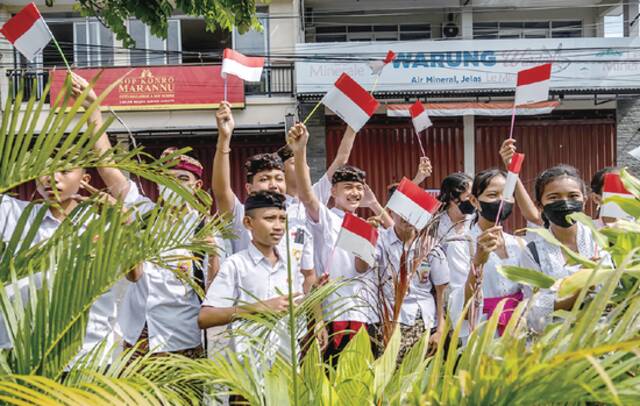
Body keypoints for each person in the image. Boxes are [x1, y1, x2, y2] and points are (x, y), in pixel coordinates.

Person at [69, 74, 217, 359]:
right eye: (166, 178)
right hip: (139, 338)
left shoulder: (204, 229)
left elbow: (214, 287)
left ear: (196, 185)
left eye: (182, 178)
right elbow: (107, 165)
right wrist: (93, 111)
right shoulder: (142, 212)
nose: (173, 185)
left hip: (183, 340)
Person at [0, 75, 123, 365]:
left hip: (88, 355)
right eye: (45, 169)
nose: (52, 178)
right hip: (27, 354)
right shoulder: (14, 215)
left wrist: (94, 112)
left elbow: (134, 274)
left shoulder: (102, 223)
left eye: (65, 170)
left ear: (85, 179)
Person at [287, 122, 392, 362]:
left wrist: (366, 243)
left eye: (358, 188)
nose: (354, 193)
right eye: (347, 187)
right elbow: (307, 196)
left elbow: (361, 269)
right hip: (335, 313)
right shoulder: (325, 218)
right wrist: (300, 151)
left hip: (367, 314)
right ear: (333, 191)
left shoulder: (367, 226)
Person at [198, 191, 322, 360]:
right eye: (270, 218)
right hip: (248, 369)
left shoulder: (291, 264)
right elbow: (205, 317)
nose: (278, 226)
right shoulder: (236, 265)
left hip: (285, 366)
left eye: (282, 219)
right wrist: (258, 308)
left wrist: (316, 291)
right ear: (248, 222)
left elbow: (293, 305)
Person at [355, 181, 449, 362]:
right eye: (402, 211)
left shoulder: (430, 244)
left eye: (413, 212)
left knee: (420, 380)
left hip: (424, 323)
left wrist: (440, 329)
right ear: (391, 212)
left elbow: (441, 291)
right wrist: (366, 239)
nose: (407, 217)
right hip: (387, 322)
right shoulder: (380, 239)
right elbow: (361, 268)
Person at [519, 165, 612, 333]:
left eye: (573, 196)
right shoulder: (532, 252)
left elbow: (619, 291)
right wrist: (581, 288)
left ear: (584, 199)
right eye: (554, 197)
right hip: (556, 345)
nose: (565, 202)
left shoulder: (602, 240)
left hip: (603, 340)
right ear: (540, 205)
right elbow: (533, 312)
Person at [448, 169, 526, 339]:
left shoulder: (519, 244)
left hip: (518, 330)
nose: (501, 201)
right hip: (482, 332)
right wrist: (478, 261)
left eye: (506, 195)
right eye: (492, 195)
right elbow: (460, 305)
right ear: (475, 201)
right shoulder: (461, 244)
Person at [435, 172, 473, 243]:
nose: (473, 200)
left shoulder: (476, 221)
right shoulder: (435, 223)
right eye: (468, 196)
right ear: (453, 197)